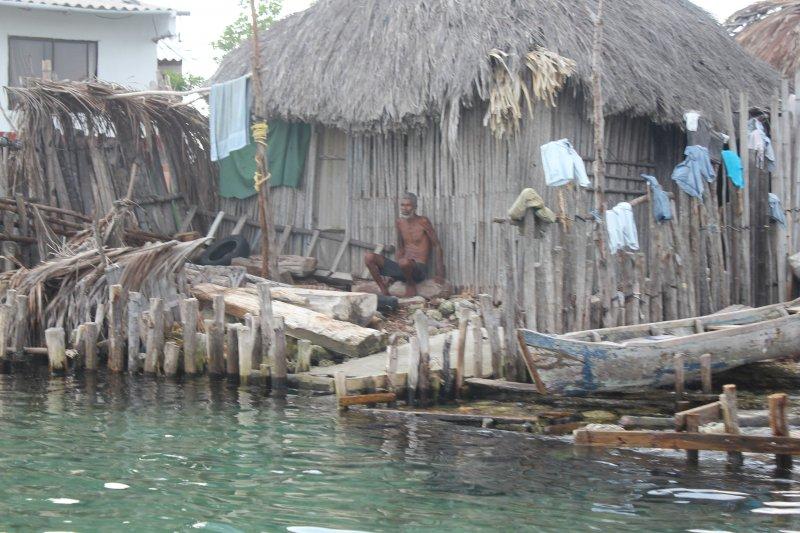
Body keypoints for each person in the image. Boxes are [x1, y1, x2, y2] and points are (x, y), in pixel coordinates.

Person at [364, 193, 445, 297]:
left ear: (415, 207)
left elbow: (437, 246)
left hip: (418, 269)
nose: (404, 208)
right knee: (369, 257)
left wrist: (439, 273)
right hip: (403, 266)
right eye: (402, 205)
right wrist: (394, 273)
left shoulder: (423, 221)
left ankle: (410, 284)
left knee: (404, 262)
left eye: (408, 205)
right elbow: (400, 247)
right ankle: (383, 289)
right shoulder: (399, 222)